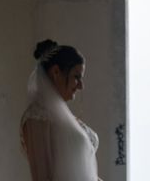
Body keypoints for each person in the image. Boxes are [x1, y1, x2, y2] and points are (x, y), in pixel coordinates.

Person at [20, 39, 100, 181]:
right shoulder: (37, 118)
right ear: (56, 72)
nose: (81, 86)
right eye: (77, 77)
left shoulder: (64, 119)